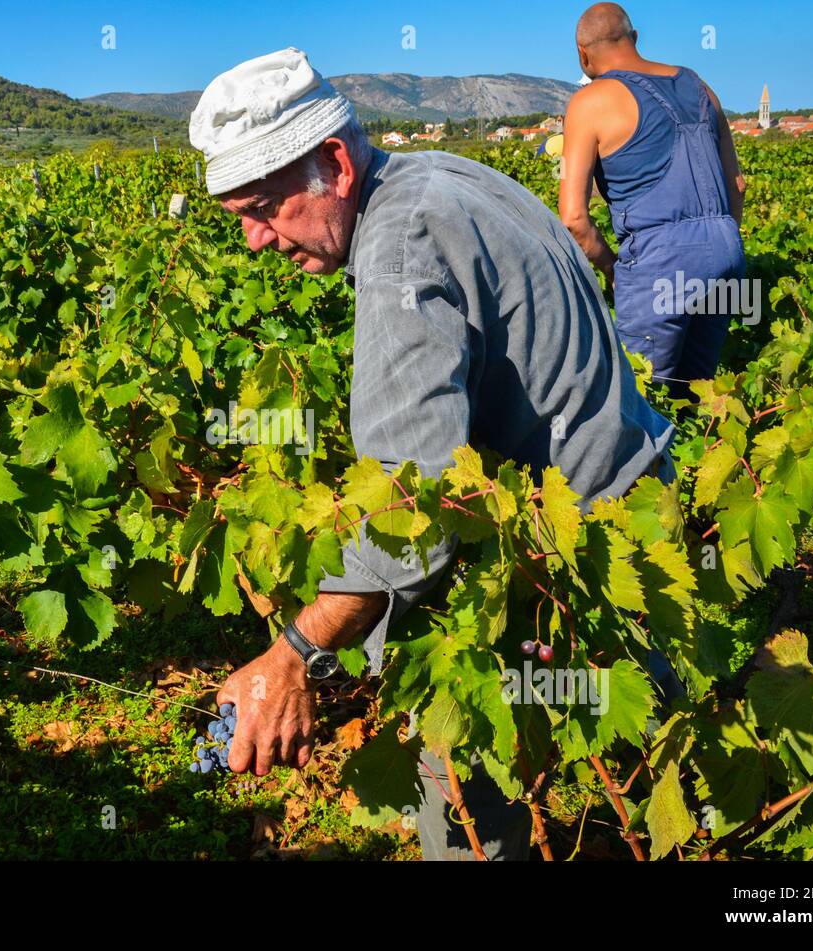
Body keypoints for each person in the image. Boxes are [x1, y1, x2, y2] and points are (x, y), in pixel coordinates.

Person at [189, 47, 676, 860]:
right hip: (625, 508)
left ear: (334, 164)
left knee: (468, 805)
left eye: (263, 208)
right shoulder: (436, 176)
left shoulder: (399, 247)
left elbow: (413, 515)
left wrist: (297, 653)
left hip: (570, 551)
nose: (252, 240)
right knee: (647, 777)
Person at [559, 2, 746, 398]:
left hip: (660, 263)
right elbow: (738, 184)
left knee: (640, 401)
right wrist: (718, 243)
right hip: (727, 251)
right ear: (635, 38)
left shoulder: (590, 102)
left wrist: (614, 270)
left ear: (582, 53)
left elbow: (574, 218)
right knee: (698, 395)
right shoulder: (700, 86)